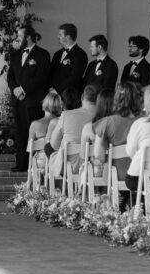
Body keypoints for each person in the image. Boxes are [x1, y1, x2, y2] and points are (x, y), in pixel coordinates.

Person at [6, 23, 51, 172]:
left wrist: (24, 88)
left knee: (34, 134)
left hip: (33, 100)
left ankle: (35, 164)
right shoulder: (15, 54)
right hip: (18, 100)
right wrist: (15, 90)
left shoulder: (42, 54)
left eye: (20, 35)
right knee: (20, 132)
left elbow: (41, 77)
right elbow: (10, 76)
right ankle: (21, 163)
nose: (17, 38)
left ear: (29, 37)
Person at [92, 81, 141, 184]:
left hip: (115, 175)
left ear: (116, 99)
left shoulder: (106, 122)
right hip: (140, 174)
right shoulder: (144, 122)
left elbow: (99, 157)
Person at [45, 84, 97, 180]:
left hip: (73, 167)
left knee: (48, 147)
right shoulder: (104, 115)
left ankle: (67, 185)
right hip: (96, 166)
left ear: (82, 97)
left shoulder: (67, 115)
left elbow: (54, 144)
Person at [49, 23, 87, 97]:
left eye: (60, 35)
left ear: (68, 37)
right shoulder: (57, 54)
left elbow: (74, 77)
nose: (58, 36)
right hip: (53, 95)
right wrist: (51, 87)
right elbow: (51, 72)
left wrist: (57, 90)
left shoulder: (80, 54)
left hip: (69, 97)